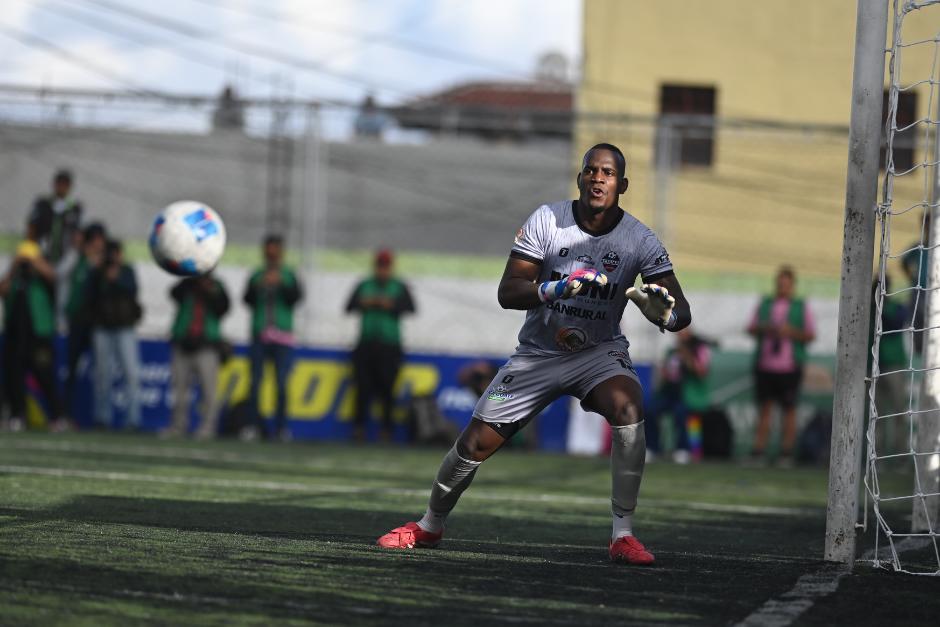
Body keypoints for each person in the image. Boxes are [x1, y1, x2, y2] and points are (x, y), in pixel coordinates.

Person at [376, 143, 691, 565]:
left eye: (608, 173)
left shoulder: (639, 239)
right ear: (580, 178)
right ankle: (430, 525)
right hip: (539, 354)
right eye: (591, 170)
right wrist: (552, 288)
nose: (598, 178)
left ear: (622, 184)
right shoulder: (548, 220)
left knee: (628, 406)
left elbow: (682, 312)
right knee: (474, 443)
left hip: (598, 352)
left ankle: (623, 534)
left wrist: (664, 315)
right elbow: (508, 291)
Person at [747, 266, 816, 466]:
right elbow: (751, 328)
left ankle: (786, 453)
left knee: (789, 410)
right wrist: (766, 328)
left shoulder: (800, 306)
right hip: (765, 364)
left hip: (790, 367)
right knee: (765, 409)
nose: (782, 287)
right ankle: (758, 451)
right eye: (779, 283)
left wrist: (790, 332)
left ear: (792, 285)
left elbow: (810, 335)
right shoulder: (765, 304)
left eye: (786, 284)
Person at [345, 249, 416, 442]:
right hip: (366, 344)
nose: (382, 270)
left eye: (385, 266)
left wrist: (390, 305)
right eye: (379, 266)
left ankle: (386, 430)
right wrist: (366, 302)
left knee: (387, 389)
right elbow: (349, 306)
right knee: (362, 388)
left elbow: (410, 308)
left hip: (389, 346)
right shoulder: (364, 285)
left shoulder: (398, 286)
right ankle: (359, 428)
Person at [0, 232, 65, 431]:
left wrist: (35, 262)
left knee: (44, 375)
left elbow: (53, 277)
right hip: (16, 334)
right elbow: (2, 289)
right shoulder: (17, 279)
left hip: (39, 334)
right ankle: (17, 415)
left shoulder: (42, 280)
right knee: (14, 376)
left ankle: (57, 416)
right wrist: (14, 266)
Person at [243, 234, 303, 441]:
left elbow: (295, 298)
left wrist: (281, 284)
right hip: (260, 335)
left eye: (275, 252)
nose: (272, 256)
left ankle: (281, 428)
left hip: (282, 338)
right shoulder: (257, 275)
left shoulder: (289, 275)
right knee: (255, 383)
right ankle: (253, 426)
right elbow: (247, 299)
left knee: (281, 384)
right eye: (269, 251)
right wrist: (260, 285)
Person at [163, 273, 230, 439]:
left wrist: (209, 290)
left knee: (209, 391)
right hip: (183, 342)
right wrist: (191, 280)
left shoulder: (217, 286)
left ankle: (207, 428)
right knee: (179, 390)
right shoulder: (187, 284)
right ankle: (178, 426)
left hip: (207, 344)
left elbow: (223, 308)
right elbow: (173, 294)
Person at [87, 239, 142, 430]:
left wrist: (116, 278)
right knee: (102, 375)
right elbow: (90, 296)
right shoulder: (97, 273)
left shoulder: (127, 272)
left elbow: (133, 292)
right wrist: (101, 273)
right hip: (103, 328)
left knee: (132, 374)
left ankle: (133, 420)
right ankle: (102, 417)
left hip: (124, 328)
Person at [645, 327, 712, 464]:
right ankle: (652, 447)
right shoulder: (672, 352)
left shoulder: (699, 350)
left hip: (687, 394)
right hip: (669, 392)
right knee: (650, 409)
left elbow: (701, 372)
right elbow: (666, 373)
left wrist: (686, 354)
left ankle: (682, 448)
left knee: (681, 413)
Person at [64, 222, 107, 423]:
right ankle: (66, 414)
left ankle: (101, 417)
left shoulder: (106, 264)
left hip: (98, 324)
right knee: (72, 369)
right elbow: (63, 275)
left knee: (101, 371)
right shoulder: (79, 260)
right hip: (78, 321)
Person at [901, 212, 929, 355]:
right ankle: (919, 352)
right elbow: (904, 261)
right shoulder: (918, 246)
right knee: (917, 322)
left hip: (934, 291)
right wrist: (912, 278)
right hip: (919, 290)